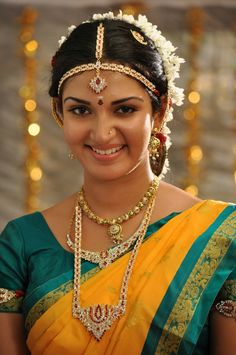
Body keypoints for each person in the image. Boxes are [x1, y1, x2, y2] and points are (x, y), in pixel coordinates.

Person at [0, 11, 235, 355]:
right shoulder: (21, 243)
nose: (101, 132)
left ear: (159, 111)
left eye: (124, 110)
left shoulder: (219, 236)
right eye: (81, 110)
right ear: (59, 113)